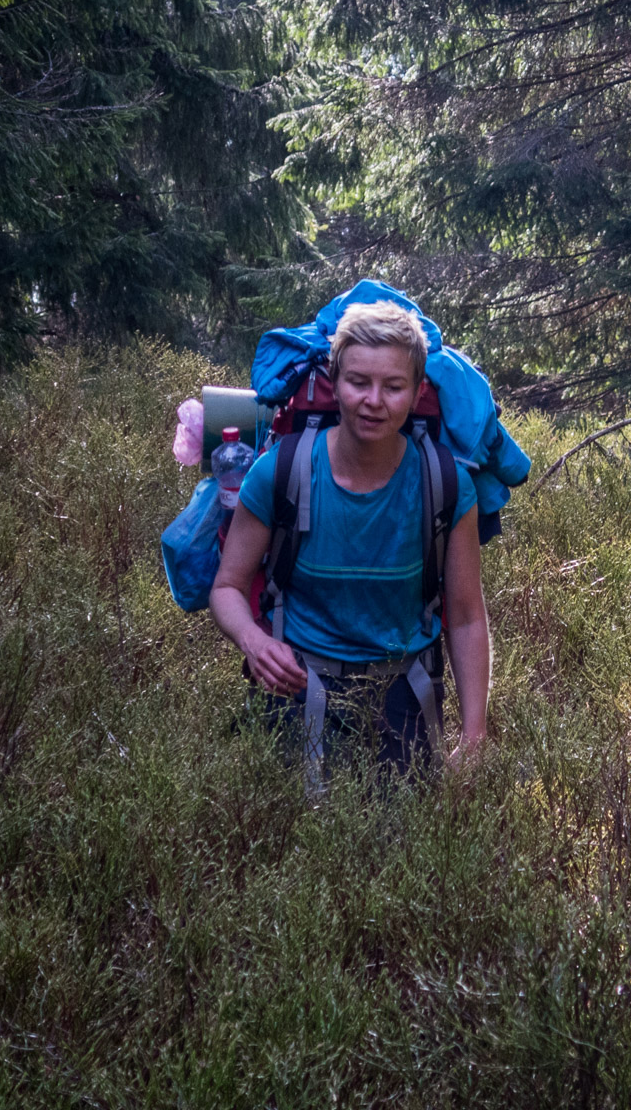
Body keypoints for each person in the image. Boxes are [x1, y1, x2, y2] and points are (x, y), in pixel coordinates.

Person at [209, 302, 489, 786]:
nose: (373, 400)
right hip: (294, 686)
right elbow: (226, 587)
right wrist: (253, 642)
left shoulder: (444, 483)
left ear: (417, 390)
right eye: (359, 382)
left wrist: (474, 735)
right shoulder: (279, 471)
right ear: (334, 382)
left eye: (394, 386)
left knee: (401, 849)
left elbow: (465, 616)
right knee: (291, 847)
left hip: (407, 694)